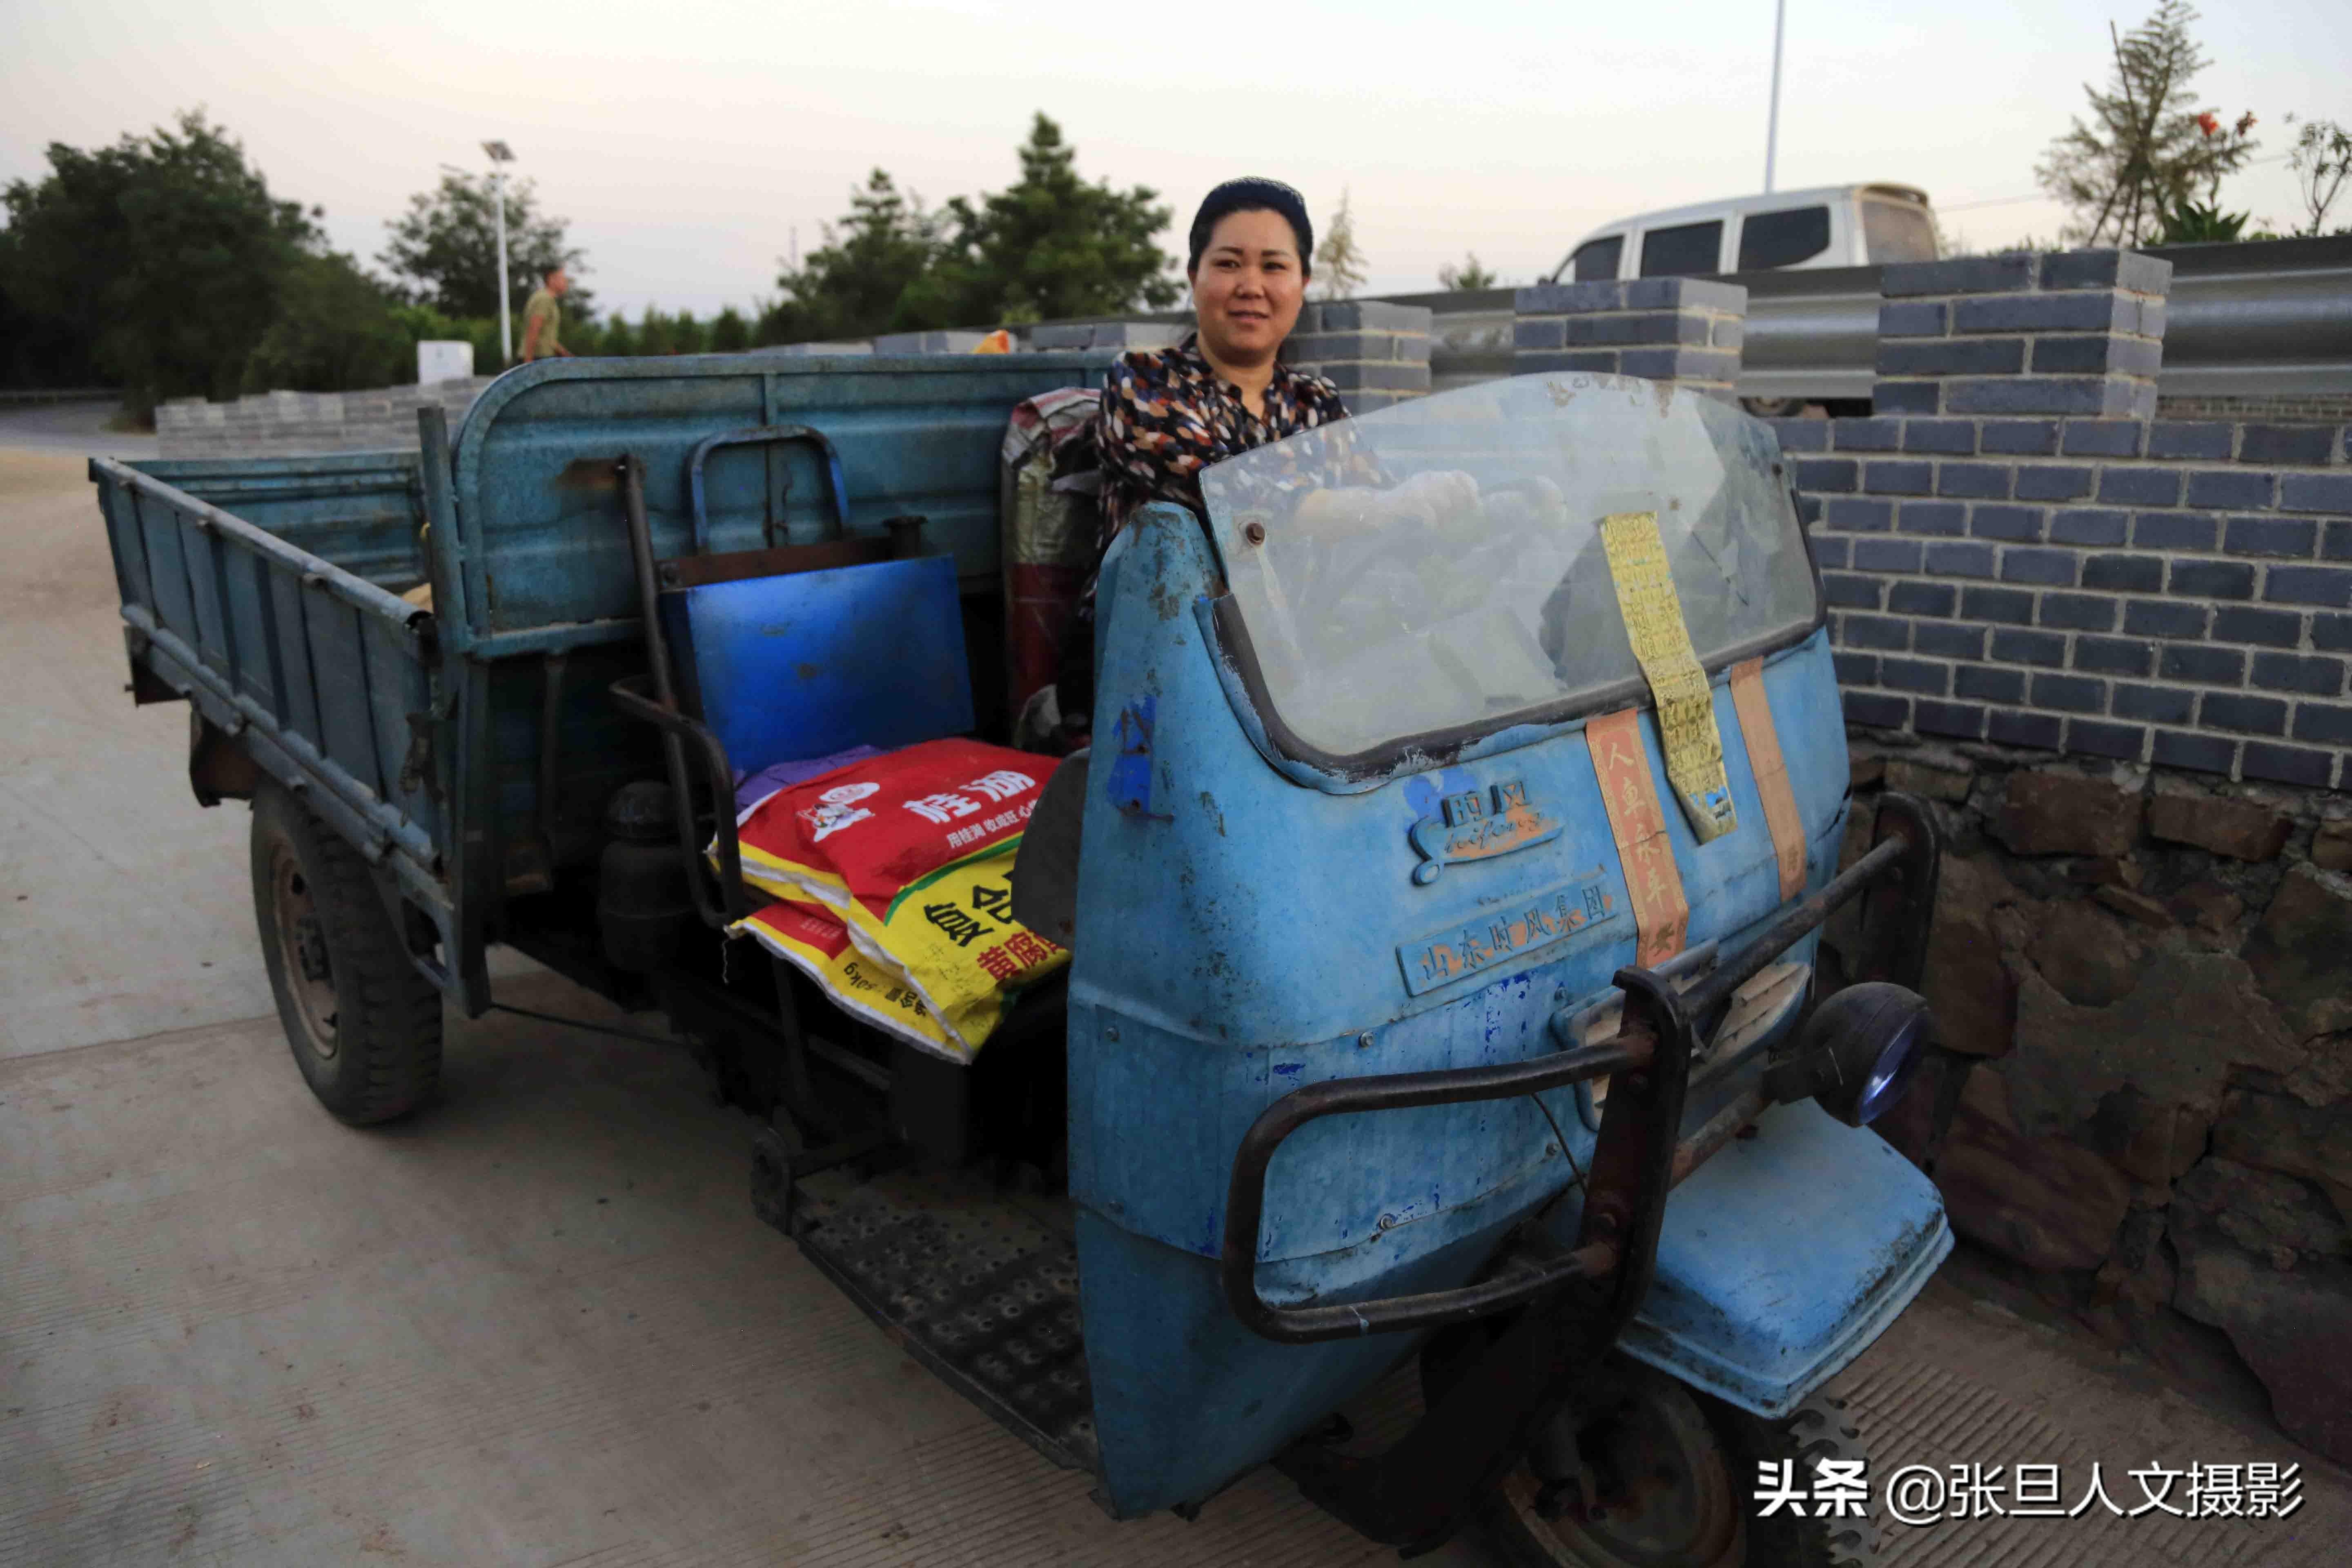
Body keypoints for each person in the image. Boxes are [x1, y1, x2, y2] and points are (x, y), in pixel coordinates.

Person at [519, 267, 574, 363]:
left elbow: (547, 336)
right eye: (563, 279)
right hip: (537, 359)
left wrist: (564, 353)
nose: (566, 282)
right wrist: (528, 362)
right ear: (551, 279)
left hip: (542, 358)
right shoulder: (544, 299)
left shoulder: (547, 299)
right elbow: (534, 329)